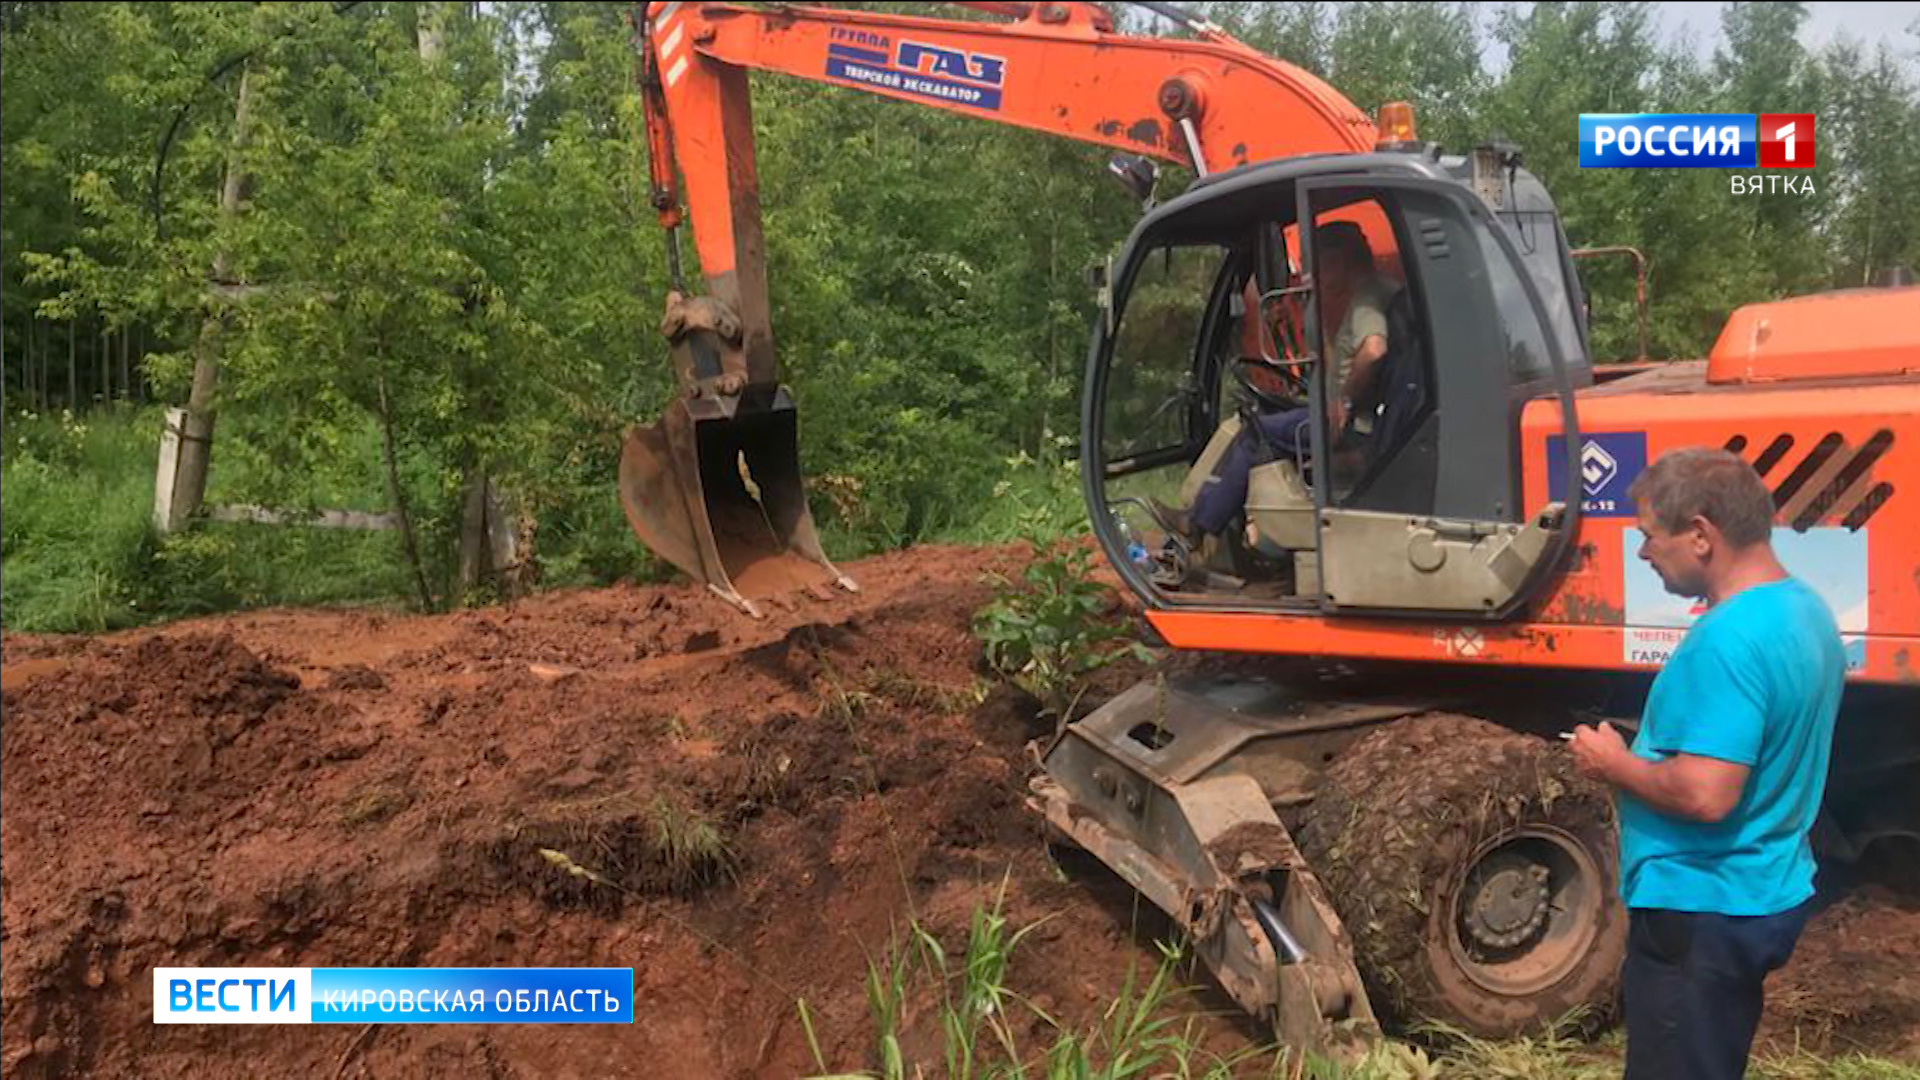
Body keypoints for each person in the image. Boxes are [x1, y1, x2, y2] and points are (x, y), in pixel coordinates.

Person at [1567, 447, 1845, 1080]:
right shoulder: (1803, 608)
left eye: (1648, 537)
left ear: (1700, 535)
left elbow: (1705, 793)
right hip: (1761, 887)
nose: (1642, 553)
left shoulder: (1727, 640)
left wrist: (1612, 761)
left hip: (1703, 903)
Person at [1160, 220, 1396, 542]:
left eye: (1320, 265)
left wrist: (1343, 401)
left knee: (1254, 433)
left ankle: (1199, 524)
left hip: (1356, 425)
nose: (1315, 276)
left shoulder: (1366, 300)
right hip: (1372, 420)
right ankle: (1238, 529)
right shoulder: (1379, 289)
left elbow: (1373, 349)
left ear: (1340, 261)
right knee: (1265, 425)